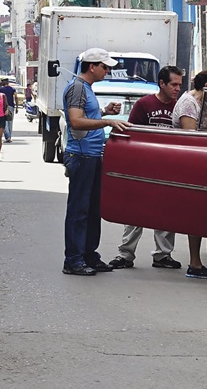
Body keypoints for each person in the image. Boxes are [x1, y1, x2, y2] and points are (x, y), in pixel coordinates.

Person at [109, 66, 185, 270]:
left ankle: (163, 255)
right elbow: (132, 134)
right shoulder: (144, 104)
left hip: (169, 167)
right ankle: (125, 254)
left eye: (180, 84)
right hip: (144, 166)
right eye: (173, 84)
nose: (177, 88)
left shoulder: (180, 107)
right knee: (134, 211)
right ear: (162, 83)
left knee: (166, 211)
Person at [61, 49, 127, 276]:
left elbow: (85, 115)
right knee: (79, 210)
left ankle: (89, 255)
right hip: (81, 156)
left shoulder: (86, 88)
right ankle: (73, 259)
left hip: (92, 155)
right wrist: (106, 121)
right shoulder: (78, 88)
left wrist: (102, 112)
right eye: (105, 67)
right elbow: (76, 121)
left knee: (92, 209)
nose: (107, 71)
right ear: (92, 66)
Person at [169, 68, 207, 280]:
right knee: (197, 213)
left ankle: (197, 262)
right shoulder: (189, 104)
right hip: (192, 165)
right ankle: (194, 262)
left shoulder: (202, 104)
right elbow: (192, 137)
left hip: (202, 164)